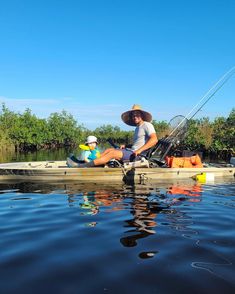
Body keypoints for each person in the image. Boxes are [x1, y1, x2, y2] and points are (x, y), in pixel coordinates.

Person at [67, 104, 158, 168]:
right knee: (109, 150)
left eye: (137, 114)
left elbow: (154, 139)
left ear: (141, 115)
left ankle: (81, 166)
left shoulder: (147, 125)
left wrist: (139, 150)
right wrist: (126, 146)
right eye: (133, 115)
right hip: (132, 151)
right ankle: (89, 162)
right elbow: (138, 143)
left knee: (112, 154)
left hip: (137, 156)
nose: (135, 117)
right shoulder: (138, 127)